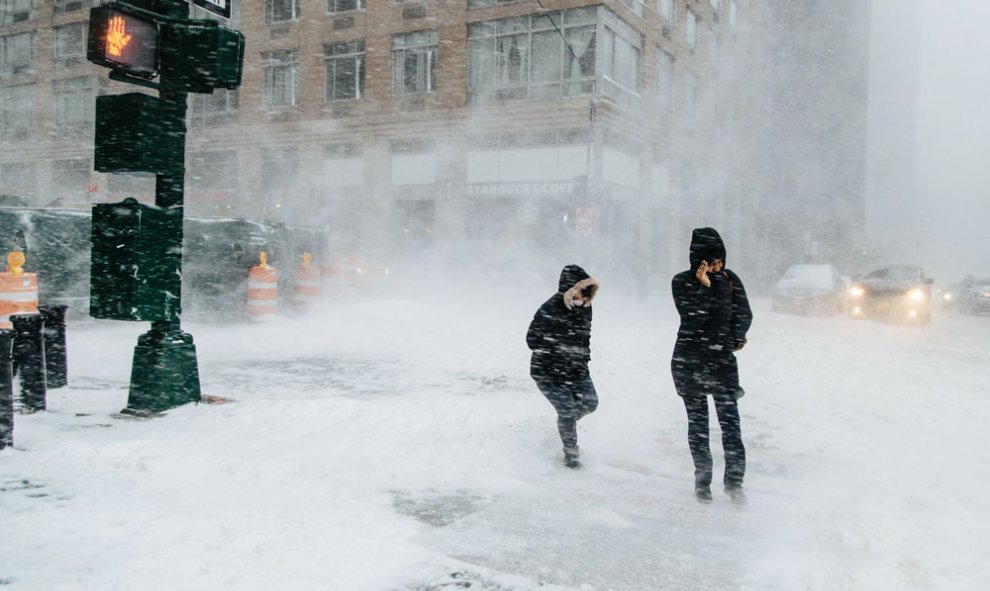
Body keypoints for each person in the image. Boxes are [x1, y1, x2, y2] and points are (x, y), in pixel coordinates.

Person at [670, 228, 753, 503]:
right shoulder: (681, 282)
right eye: (713, 262)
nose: (719, 267)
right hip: (689, 362)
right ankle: (702, 482)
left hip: (722, 363)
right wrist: (704, 287)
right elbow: (691, 319)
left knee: (731, 425)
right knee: (699, 426)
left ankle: (734, 484)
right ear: (699, 261)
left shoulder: (730, 280)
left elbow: (744, 314)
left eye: (721, 261)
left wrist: (732, 340)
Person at [527, 265, 600, 469]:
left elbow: (585, 339)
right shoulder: (550, 308)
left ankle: (565, 423)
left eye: (587, 293)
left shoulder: (586, 308)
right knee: (567, 408)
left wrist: (582, 360)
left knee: (590, 403)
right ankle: (571, 454)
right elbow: (531, 339)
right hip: (547, 372)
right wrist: (557, 348)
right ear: (568, 290)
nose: (584, 298)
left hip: (576, 370)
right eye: (580, 292)